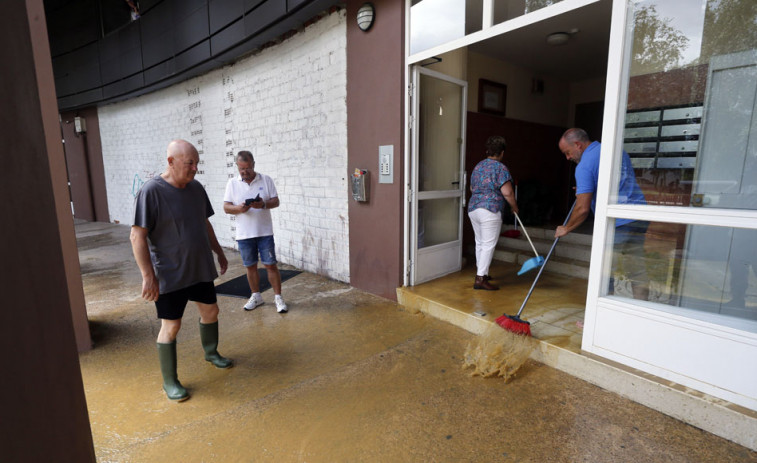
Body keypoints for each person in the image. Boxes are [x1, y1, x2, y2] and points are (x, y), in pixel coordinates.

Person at [131, 139, 232, 402]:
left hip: (199, 268)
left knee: (211, 311)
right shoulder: (151, 191)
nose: (194, 169)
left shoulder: (196, 188)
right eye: (190, 163)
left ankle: (211, 353)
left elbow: (205, 223)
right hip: (170, 273)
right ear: (171, 161)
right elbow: (137, 236)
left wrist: (218, 251)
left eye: (197, 164)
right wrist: (148, 276)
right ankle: (170, 382)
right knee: (171, 326)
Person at [555, 128, 649, 300]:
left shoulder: (584, 165)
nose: (568, 158)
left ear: (578, 145)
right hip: (638, 215)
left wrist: (566, 228)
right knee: (637, 269)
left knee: (604, 273)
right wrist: (588, 188)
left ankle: (597, 319)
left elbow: (582, 209)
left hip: (617, 222)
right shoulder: (615, 150)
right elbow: (615, 182)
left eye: (567, 152)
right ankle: (641, 308)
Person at [223, 150, 288, 313]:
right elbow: (226, 207)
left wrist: (263, 204)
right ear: (237, 167)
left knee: (270, 265)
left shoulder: (265, 180)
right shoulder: (232, 183)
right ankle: (256, 296)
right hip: (244, 234)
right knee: (250, 266)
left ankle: (278, 298)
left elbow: (276, 201)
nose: (245, 172)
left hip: (264, 232)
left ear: (253, 164)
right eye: (241, 169)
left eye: (248, 168)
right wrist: (239, 208)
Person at [468, 135, 519, 290]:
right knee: (488, 244)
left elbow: (471, 188)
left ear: (487, 151)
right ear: (502, 152)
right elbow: (508, 192)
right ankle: (480, 279)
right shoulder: (500, 168)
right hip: (490, 209)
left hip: (474, 209)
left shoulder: (478, 166)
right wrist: (514, 207)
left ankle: (481, 272)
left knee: (480, 242)